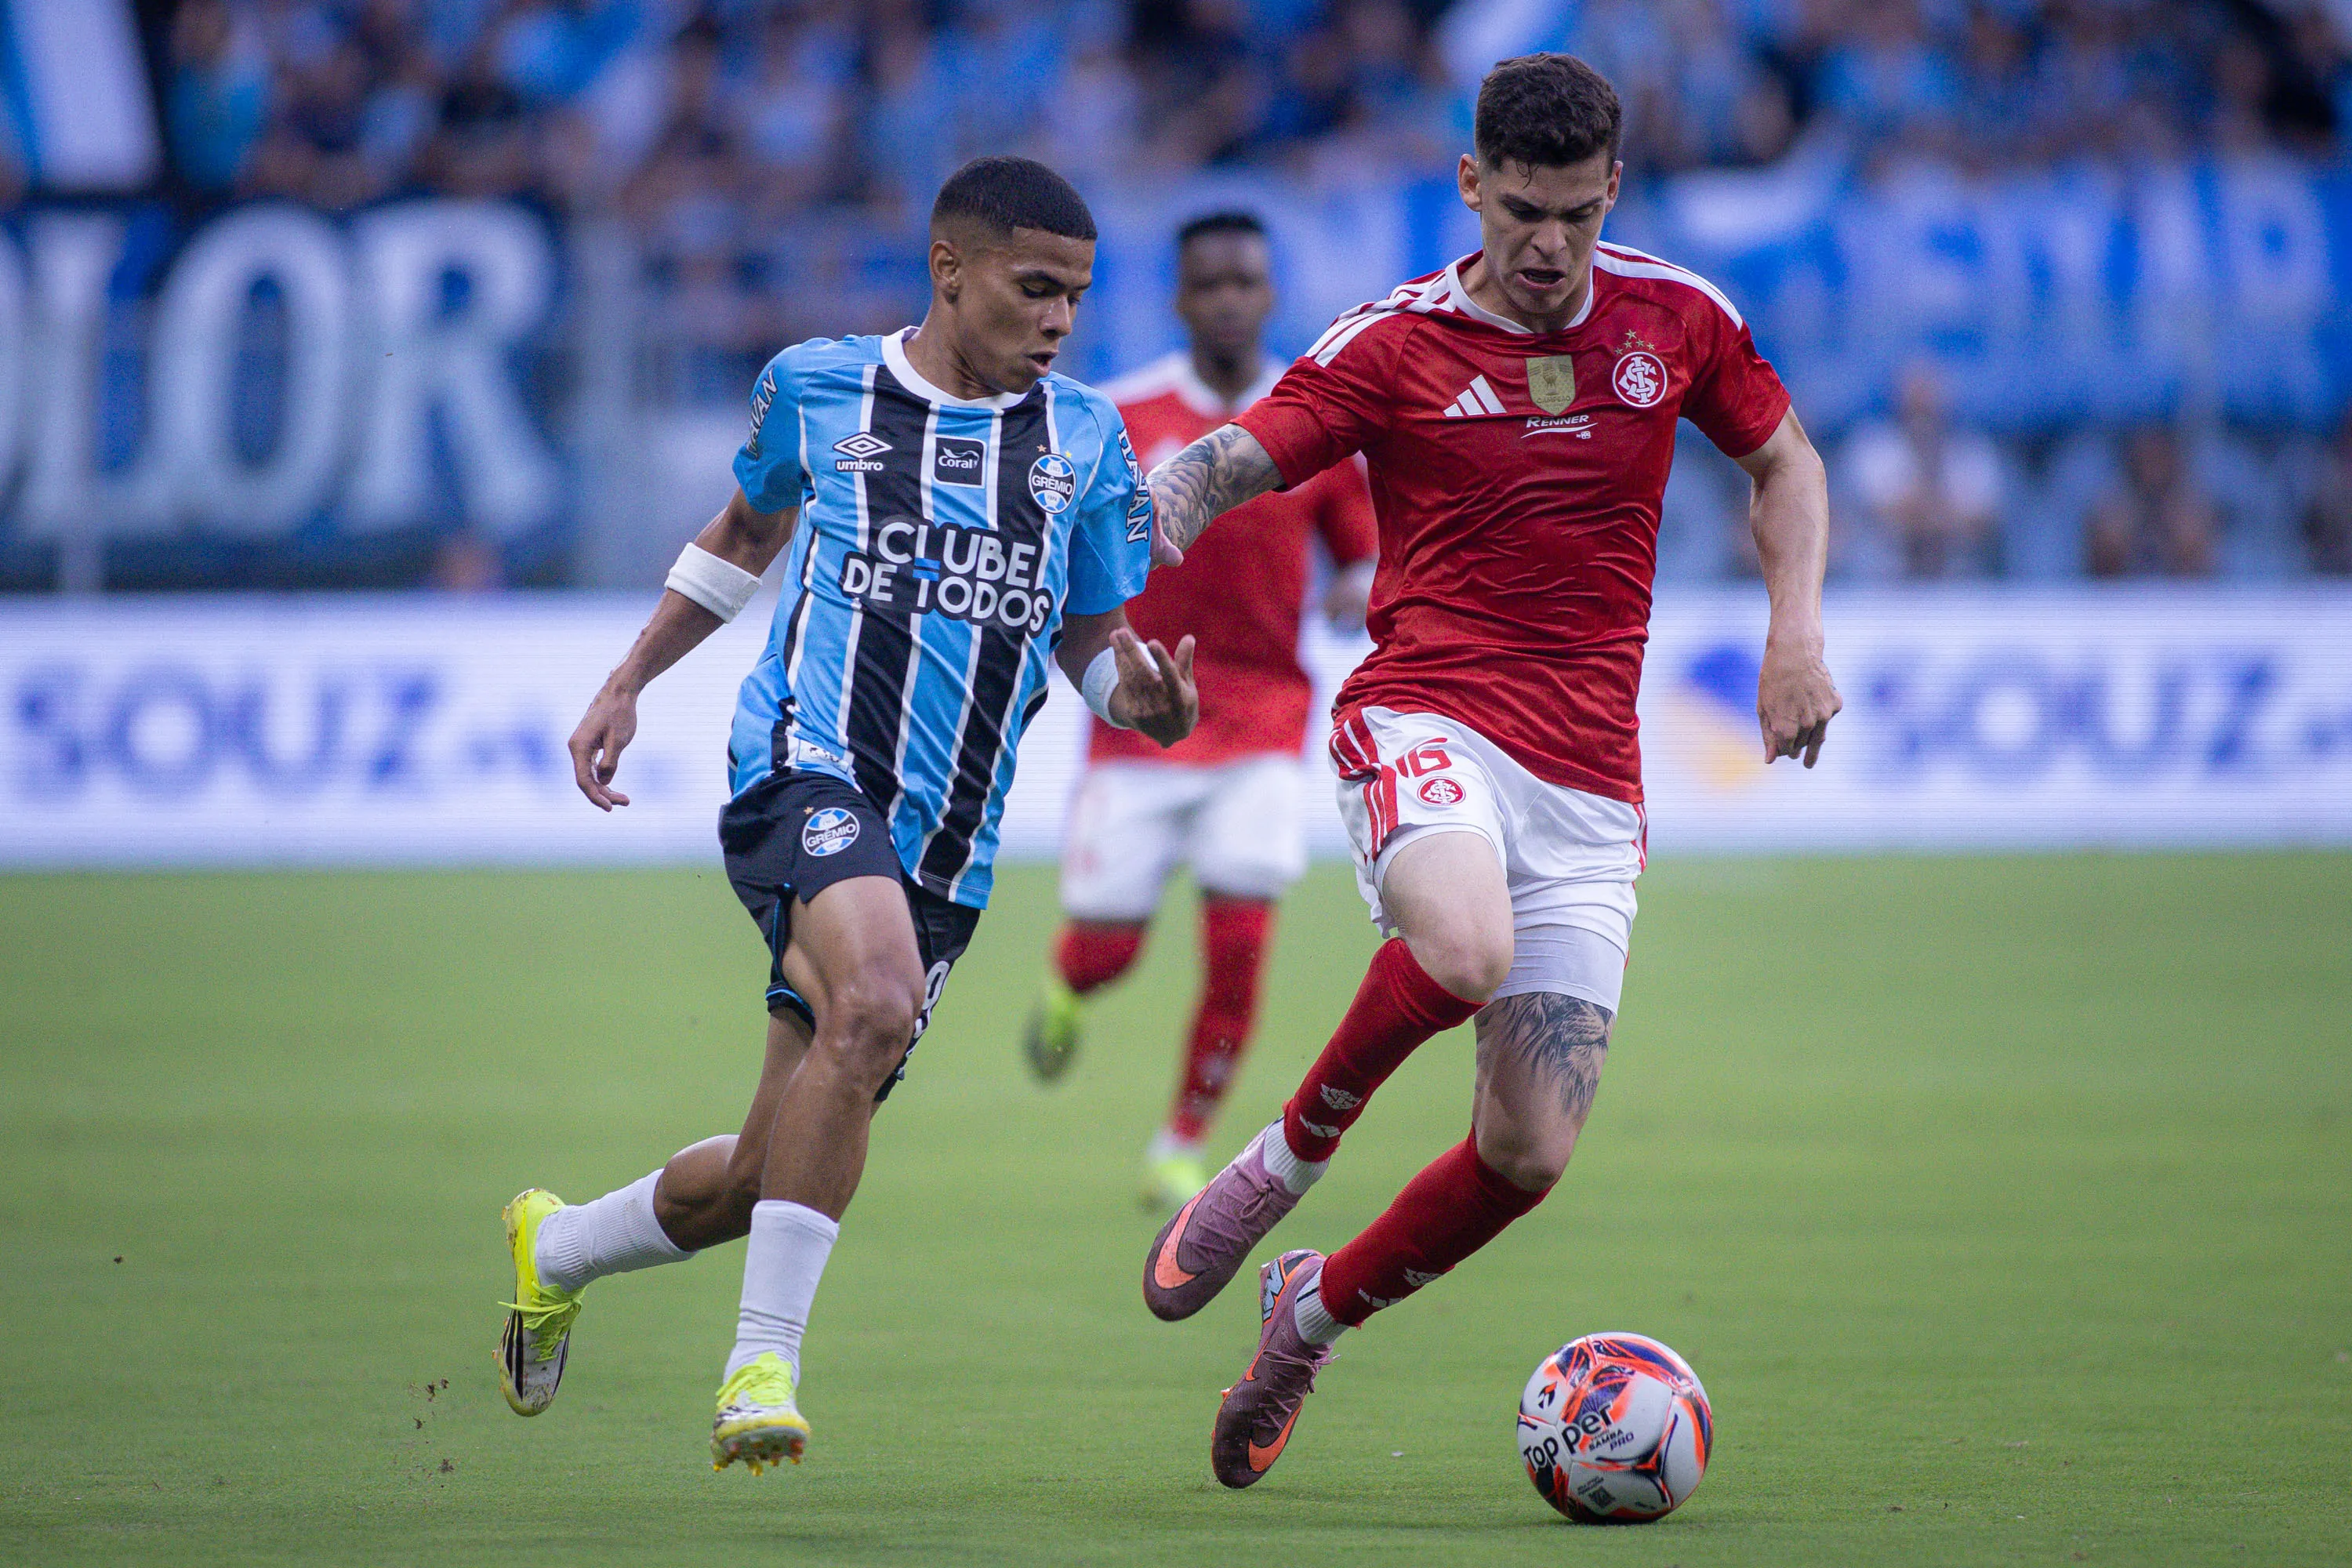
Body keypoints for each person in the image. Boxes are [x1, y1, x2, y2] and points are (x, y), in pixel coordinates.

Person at [1135, 53, 1841, 1488]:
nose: (1547, 244)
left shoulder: (1680, 320)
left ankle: (1309, 1319)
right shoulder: (1393, 343)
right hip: (1426, 719)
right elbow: (1235, 460)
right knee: (1462, 946)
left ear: (1612, 195)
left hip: (1588, 781)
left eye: (1576, 215)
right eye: (1521, 209)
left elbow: (1788, 467)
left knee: (1525, 1156)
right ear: (1470, 185)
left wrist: (1795, 634)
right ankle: (1283, 1162)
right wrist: (1152, 512)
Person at [495, 155, 1198, 1475]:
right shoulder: (821, 386)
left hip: (949, 847)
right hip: (801, 770)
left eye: (1077, 298)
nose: (1058, 319)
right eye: (1033, 288)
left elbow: (1095, 639)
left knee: (769, 1169)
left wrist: (1145, 702)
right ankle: (761, 1366)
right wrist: (629, 678)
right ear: (951, 268)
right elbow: (743, 537)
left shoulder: (1089, 442)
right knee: (871, 1001)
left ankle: (562, 1245)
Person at [1022, 210, 1377, 1210]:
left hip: (1264, 717)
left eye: (1245, 283)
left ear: (1269, 296)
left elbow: (1361, 545)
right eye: (1208, 285)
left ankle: (1183, 1137)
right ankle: (1066, 980)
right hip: (1137, 721)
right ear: (1181, 300)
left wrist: (1358, 583)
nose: (1228, 300)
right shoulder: (1123, 416)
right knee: (1110, 947)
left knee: (1240, 941)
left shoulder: (1315, 422)